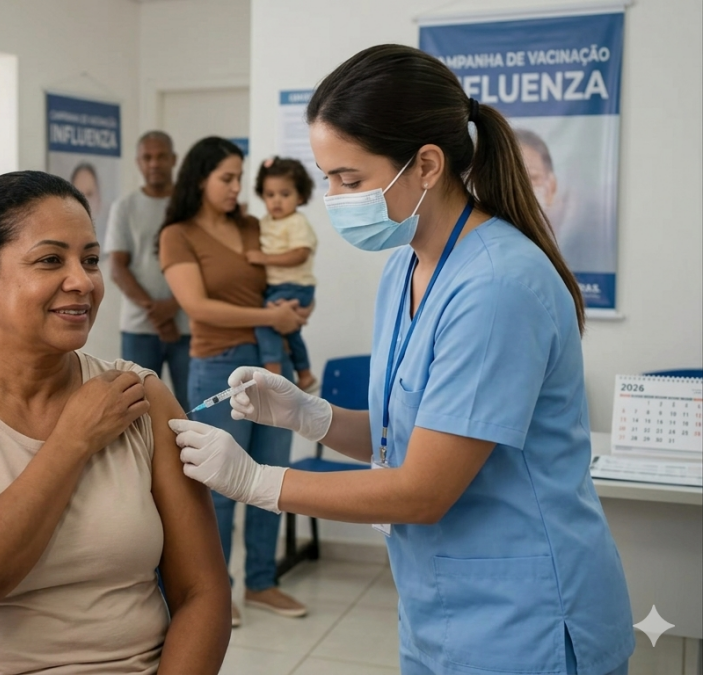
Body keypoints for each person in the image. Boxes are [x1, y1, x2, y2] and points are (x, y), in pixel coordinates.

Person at [172, 45, 633, 675]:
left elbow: (423, 490)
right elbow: (408, 438)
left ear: (426, 165)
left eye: (350, 179)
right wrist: (310, 416)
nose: (332, 197)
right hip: (437, 607)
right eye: (327, 177)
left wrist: (257, 482)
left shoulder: (497, 286)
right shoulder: (405, 269)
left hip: (526, 617)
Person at [0, 171, 230, 674]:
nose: (82, 281)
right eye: (50, 260)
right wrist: (72, 440)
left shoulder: (139, 395)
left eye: (91, 260)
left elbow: (202, 592)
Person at [158, 137, 312, 627]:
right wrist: (271, 317)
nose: (236, 188)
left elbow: (288, 275)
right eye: (226, 178)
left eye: (239, 178)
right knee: (221, 485)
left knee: (272, 478)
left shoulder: (251, 226)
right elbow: (197, 307)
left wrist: (295, 311)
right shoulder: (177, 235)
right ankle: (216, 591)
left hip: (272, 362)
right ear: (199, 178)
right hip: (219, 365)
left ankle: (261, 582)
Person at [105, 131, 191, 409]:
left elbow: (206, 264)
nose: (154, 163)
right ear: (138, 162)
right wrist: (158, 314)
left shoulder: (191, 206)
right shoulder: (124, 207)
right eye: (147, 157)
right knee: (137, 406)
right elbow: (117, 267)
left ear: (174, 159)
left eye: (161, 156)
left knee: (192, 406)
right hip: (138, 328)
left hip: (188, 327)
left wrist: (173, 306)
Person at [248, 156, 319, 392]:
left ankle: (272, 376)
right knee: (291, 333)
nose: (276, 200)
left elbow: (300, 254)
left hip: (295, 285)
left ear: (300, 197)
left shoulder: (296, 222)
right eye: (270, 194)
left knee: (267, 323)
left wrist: (264, 259)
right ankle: (305, 375)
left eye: (285, 194)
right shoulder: (266, 222)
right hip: (279, 286)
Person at [513, 127, 614, 273]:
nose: (521, 189)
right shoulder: (486, 249)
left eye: (532, 178)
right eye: (512, 179)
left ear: (551, 187)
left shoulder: (585, 250)